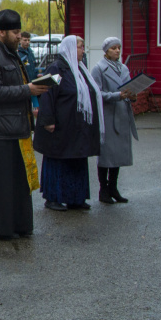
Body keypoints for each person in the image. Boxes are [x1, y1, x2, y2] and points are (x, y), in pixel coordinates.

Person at [0, 10, 49, 239]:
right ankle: (0, 229)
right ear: (1, 32)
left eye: (20, 32)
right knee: (1, 185)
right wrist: (27, 90)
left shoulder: (12, 53)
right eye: (16, 32)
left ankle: (20, 225)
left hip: (17, 128)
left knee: (19, 184)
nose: (20, 36)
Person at [33, 35, 103, 212]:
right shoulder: (57, 69)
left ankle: (76, 197)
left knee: (77, 159)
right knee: (58, 160)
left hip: (77, 127)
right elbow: (46, 93)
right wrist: (48, 120)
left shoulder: (79, 69)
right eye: (80, 47)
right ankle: (53, 197)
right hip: (61, 126)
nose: (83, 50)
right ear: (70, 48)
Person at [91, 37, 137, 204]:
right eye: (113, 48)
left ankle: (114, 188)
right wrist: (117, 95)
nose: (117, 51)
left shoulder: (123, 68)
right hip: (107, 114)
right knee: (106, 154)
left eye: (119, 47)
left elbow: (129, 88)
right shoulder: (98, 69)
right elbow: (96, 94)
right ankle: (103, 189)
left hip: (122, 113)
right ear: (106, 51)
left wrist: (132, 96)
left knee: (117, 153)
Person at [18, 31, 40, 113]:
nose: (27, 42)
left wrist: (37, 74)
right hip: (24, 86)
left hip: (33, 84)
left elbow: (34, 67)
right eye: (25, 40)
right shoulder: (18, 54)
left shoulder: (30, 52)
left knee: (35, 110)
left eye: (28, 40)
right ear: (20, 40)